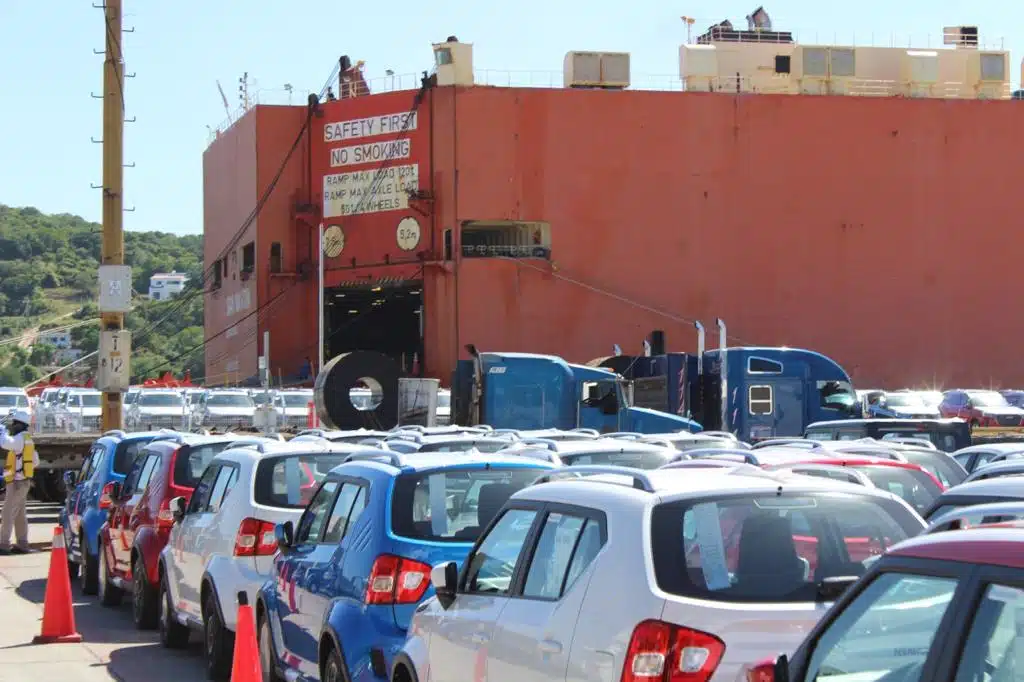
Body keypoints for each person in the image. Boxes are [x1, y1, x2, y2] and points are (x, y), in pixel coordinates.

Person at [0, 410, 37, 554]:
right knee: (20, 514)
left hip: (17, 484)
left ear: (20, 425)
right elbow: (36, 461)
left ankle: (3, 544)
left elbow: (5, 443)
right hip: (22, 482)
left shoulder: (18, 439)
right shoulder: (27, 439)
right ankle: (22, 543)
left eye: (14, 424)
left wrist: (1, 431)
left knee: (8, 513)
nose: (12, 426)